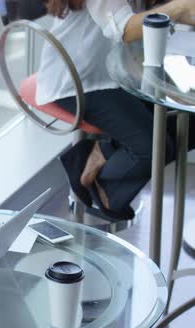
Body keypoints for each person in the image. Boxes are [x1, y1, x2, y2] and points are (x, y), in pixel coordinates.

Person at [36, 0, 195, 220]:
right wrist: (180, 8)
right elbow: (126, 29)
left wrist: (184, 10)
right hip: (77, 82)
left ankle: (106, 151)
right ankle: (100, 182)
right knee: (154, 147)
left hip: (120, 73)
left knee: (189, 122)